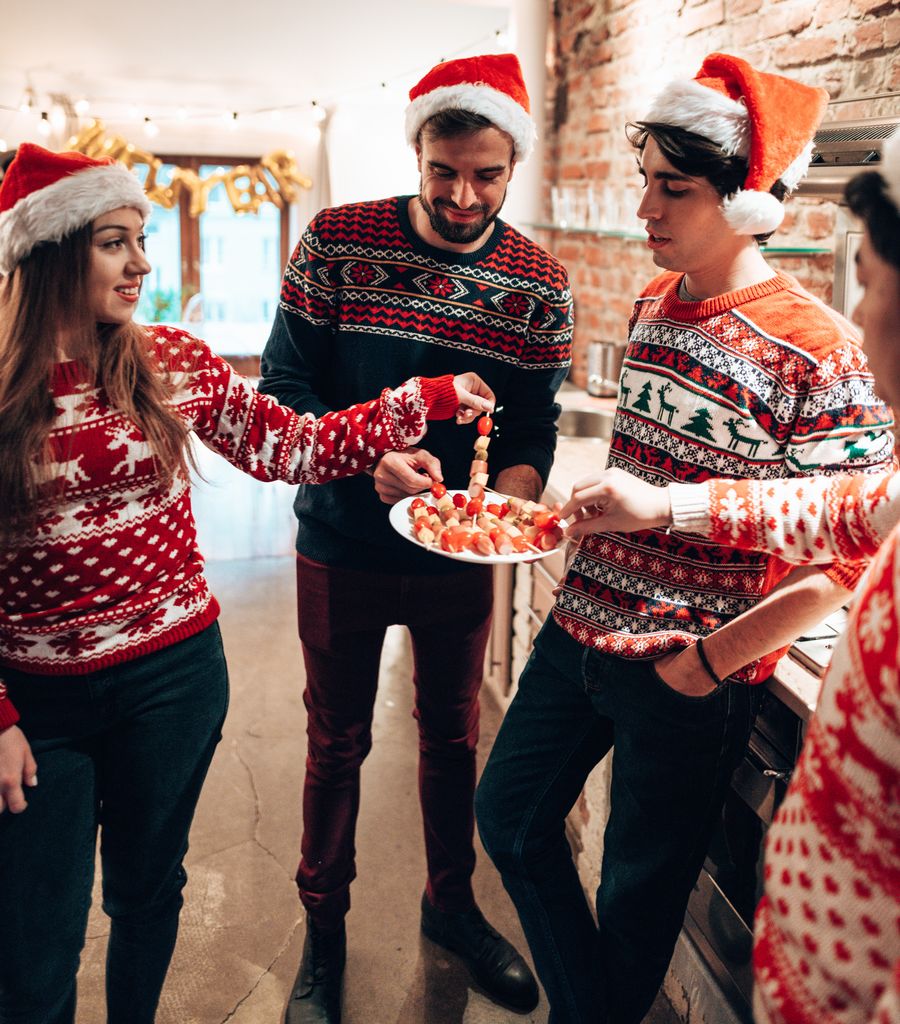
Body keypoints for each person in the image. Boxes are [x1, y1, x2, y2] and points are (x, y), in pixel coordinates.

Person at [0, 142, 495, 1024]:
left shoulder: (170, 362)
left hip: (173, 676)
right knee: (34, 935)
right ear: (51, 250)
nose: (143, 262)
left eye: (141, 238)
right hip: (39, 699)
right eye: (116, 241)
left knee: (149, 897)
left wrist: (424, 395)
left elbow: (292, 445)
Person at [475, 52, 896, 1024]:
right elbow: (651, 477)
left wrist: (709, 661)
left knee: (636, 900)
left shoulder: (824, 347)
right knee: (509, 816)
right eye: (645, 183)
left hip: (689, 671)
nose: (647, 210)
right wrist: (574, 523)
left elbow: (846, 549)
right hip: (580, 628)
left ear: (743, 200)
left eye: (674, 189)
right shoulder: (653, 304)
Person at [258, 52, 573, 1023]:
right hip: (342, 542)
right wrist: (366, 461)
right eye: (445, 171)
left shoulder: (538, 284)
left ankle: (452, 905)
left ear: (513, 163)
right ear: (419, 151)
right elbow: (284, 393)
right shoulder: (337, 242)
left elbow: (530, 427)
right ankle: (326, 931)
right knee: (335, 742)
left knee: (452, 737)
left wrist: (500, 505)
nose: (464, 194)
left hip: (454, 556)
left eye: (486, 174)